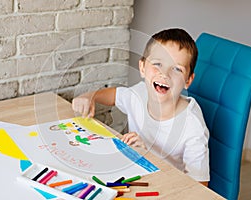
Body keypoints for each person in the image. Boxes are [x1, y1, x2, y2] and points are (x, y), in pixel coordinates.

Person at [72, 28, 209, 186]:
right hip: (132, 177)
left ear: (188, 80)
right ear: (142, 68)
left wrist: (146, 157)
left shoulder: (192, 126)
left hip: (165, 187)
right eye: (158, 64)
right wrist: (91, 96)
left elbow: (201, 186)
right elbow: (114, 95)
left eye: (177, 69)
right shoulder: (140, 92)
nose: (164, 74)